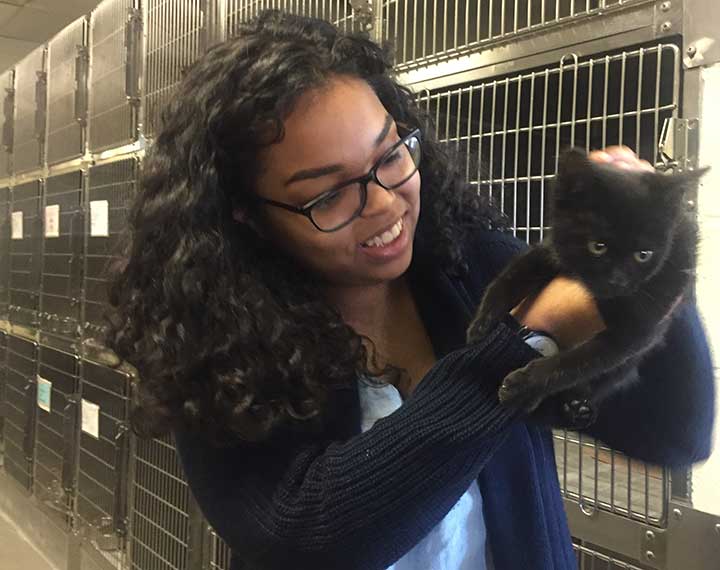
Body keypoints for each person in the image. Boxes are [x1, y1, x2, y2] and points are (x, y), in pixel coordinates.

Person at [103, 11, 715, 570]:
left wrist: (657, 259)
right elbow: (304, 536)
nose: (385, 204)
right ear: (244, 213)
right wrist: (519, 347)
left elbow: (671, 433)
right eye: (327, 194)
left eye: (391, 154)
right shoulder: (218, 344)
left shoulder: (466, 262)